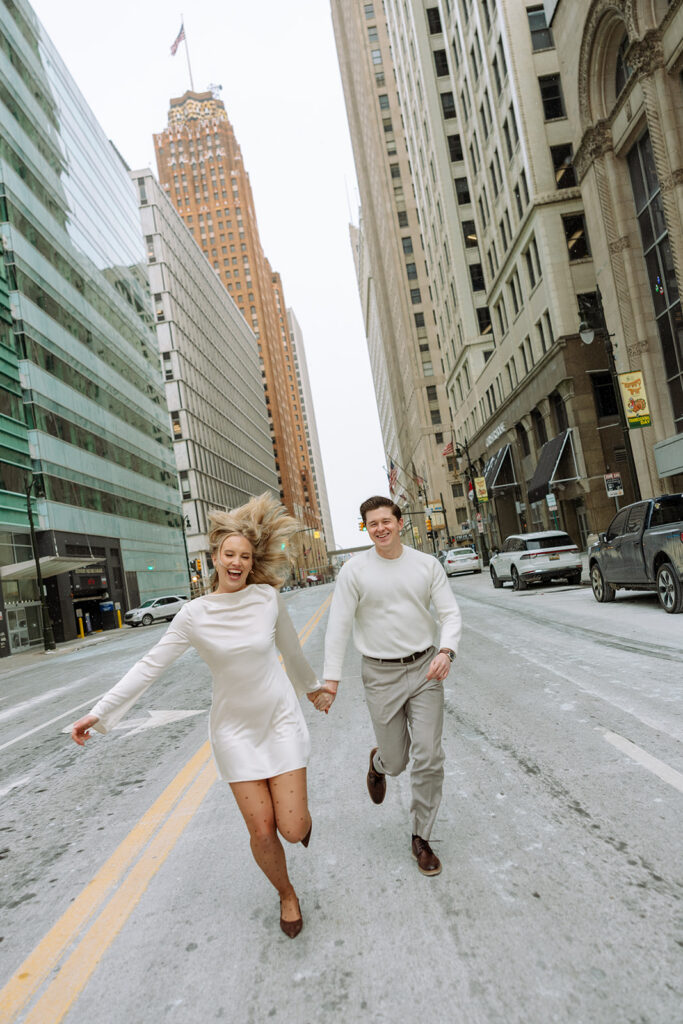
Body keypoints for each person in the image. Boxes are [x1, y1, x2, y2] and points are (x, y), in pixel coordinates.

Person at [71, 493, 326, 938]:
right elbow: (148, 666)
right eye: (229, 554)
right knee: (263, 831)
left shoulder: (267, 598)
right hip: (234, 732)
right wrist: (99, 713)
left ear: (252, 562)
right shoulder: (193, 614)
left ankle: (299, 820)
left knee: (292, 828)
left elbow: (292, 651)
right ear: (215, 558)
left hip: (280, 721)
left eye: (244, 556)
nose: (237, 562)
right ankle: (286, 893)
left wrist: (313, 690)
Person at [317, 495, 462, 877]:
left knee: (429, 754)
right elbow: (338, 627)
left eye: (386, 521)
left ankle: (421, 837)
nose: (380, 528)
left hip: (425, 669)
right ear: (366, 529)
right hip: (380, 674)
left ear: (399, 522)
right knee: (397, 762)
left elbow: (449, 614)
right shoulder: (354, 571)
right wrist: (331, 680)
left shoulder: (426, 565)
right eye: (372, 524)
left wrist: (446, 651)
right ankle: (378, 763)